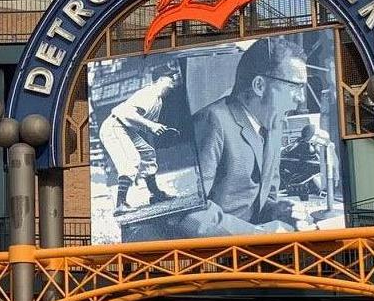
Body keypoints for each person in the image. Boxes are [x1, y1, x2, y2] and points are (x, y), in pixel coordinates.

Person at [181, 37, 309, 236]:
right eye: (295, 86)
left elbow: (261, 199)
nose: (301, 99)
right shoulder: (212, 122)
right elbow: (188, 211)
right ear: (259, 85)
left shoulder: (274, 125)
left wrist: (276, 210)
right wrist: (258, 234)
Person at [99, 62, 183, 216]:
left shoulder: (158, 100)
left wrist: (160, 130)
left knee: (148, 154)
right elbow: (127, 113)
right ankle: (120, 204)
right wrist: (151, 125)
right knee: (132, 160)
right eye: (169, 76)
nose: (173, 78)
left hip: (126, 128)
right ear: (160, 80)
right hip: (114, 125)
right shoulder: (149, 94)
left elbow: (143, 124)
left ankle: (155, 194)